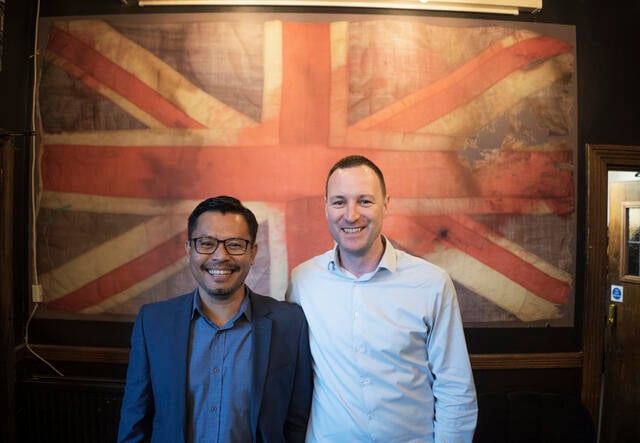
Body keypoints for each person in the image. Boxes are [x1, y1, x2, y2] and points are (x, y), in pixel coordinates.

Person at [287, 155, 477, 442]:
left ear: (386, 204)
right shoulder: (302, 281)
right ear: (325, 206)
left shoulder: (431, 283)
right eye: (339, 202)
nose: (351, 215)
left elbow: (455, 390)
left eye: (365, 201)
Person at [118, 196, 313, 443]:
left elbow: (297, 423)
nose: (220, 256)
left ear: (253, 253)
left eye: (234, 244)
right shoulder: (153, 324)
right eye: (206, 243)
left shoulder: (290, 324)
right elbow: (135, 422)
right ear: (189, 250)